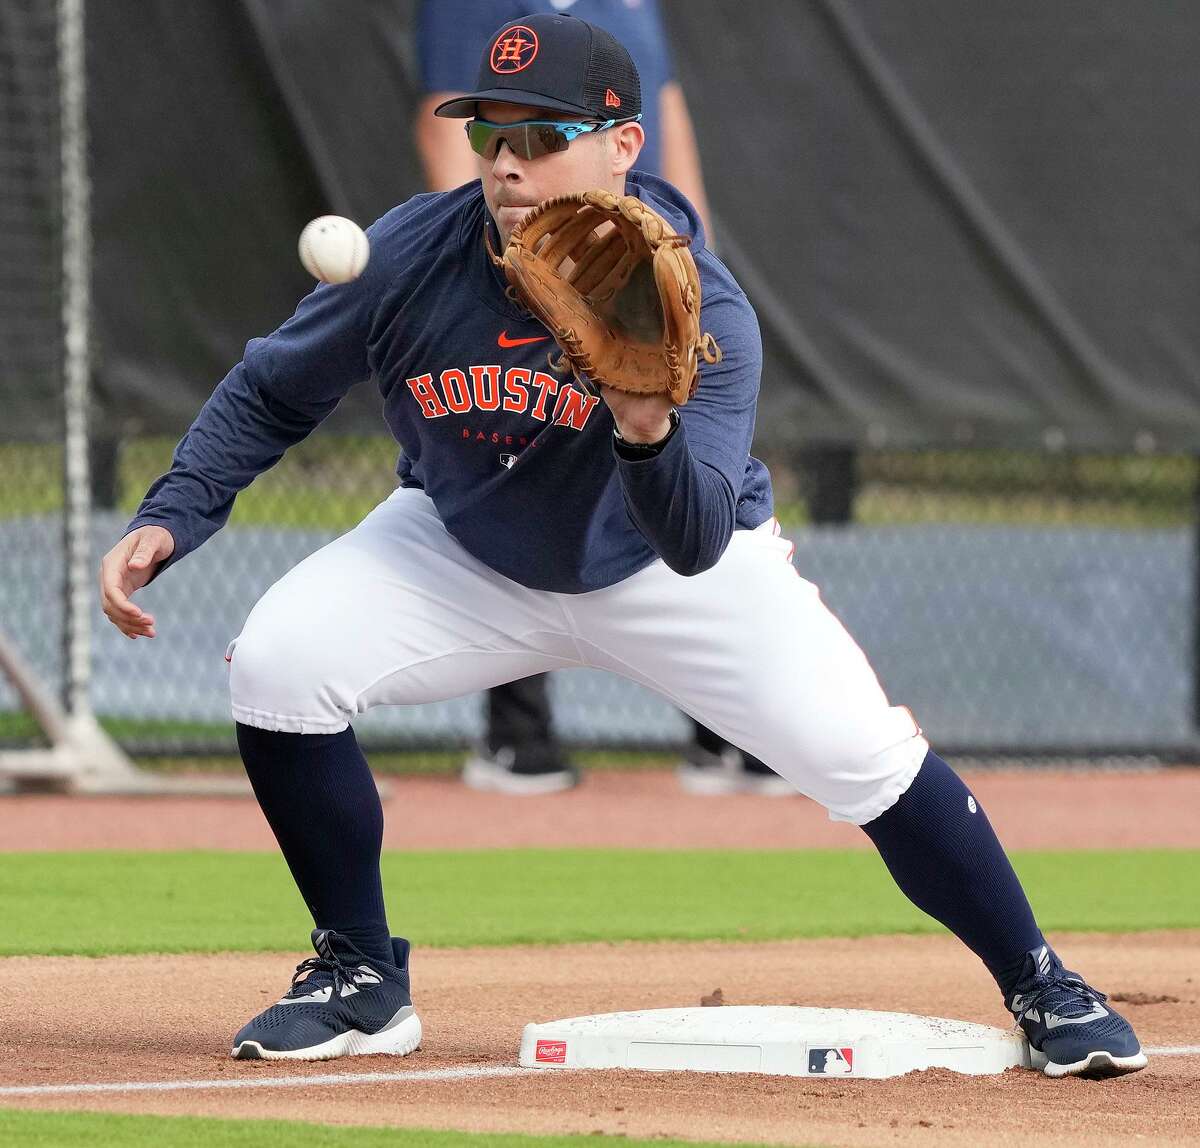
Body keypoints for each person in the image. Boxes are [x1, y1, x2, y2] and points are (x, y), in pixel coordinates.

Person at [100, 12, 1146, 1079]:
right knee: (279, 663)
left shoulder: (707, 308)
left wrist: (644, 423)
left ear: (621, 147)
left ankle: (1042, 978)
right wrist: (170, 511)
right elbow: (273, 387)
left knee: (865, 757)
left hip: (670, 562)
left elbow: (693, 543)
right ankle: (360, 977)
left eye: (541, 136)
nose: (508, 161)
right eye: (489, 133)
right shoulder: (414, 252)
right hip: (464, 548)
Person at [413, 0, 789, 798]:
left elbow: (669, 110)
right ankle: (522, 740)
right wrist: (496, 268)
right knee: (512, 459)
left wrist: (691, 260)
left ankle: (730, 732)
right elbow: (448, 124)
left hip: (627, 269)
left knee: (691, 469)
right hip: (526, 274)